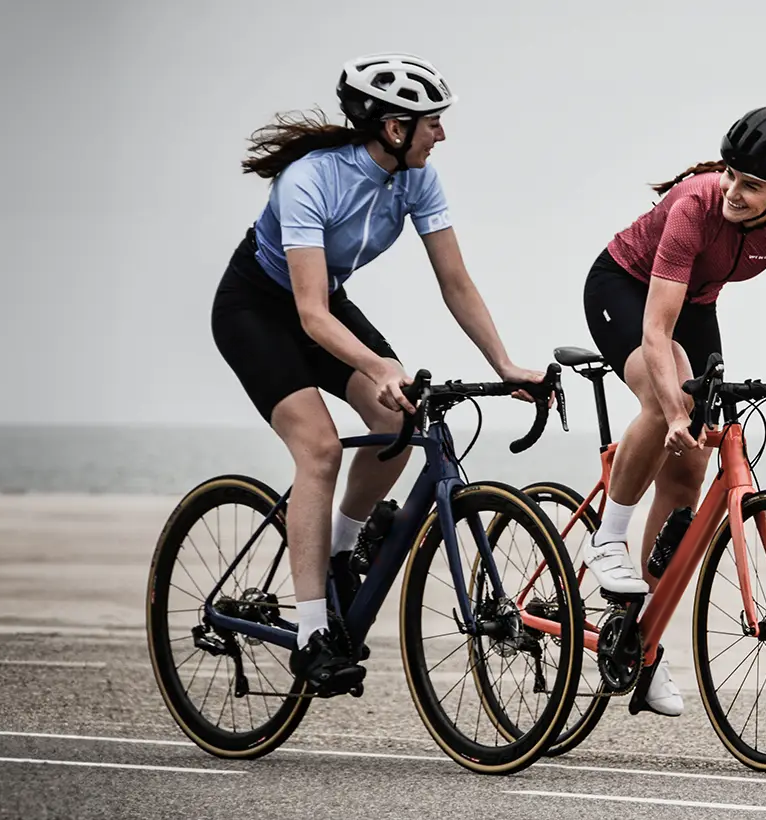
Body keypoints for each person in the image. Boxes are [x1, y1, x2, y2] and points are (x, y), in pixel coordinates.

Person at [211, 53, 541, 691]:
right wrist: (375, 362)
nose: (440, 134)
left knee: (398, 416)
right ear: (394, 128)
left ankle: (339, 548)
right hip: (258, 310)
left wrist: (503, 363)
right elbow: (309, 315)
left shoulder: (419, 180)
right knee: (320, 449)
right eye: (431, 124)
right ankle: (311, 634)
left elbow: (455, 281)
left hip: (324, 305)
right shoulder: (309, 180)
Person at [579, 106, 766, 716]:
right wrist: (673, 406)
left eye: (751, 185)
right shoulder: (694, 204)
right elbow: (656, 330)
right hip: (625, 288)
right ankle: (609, 538)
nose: (733, 191)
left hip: (695, 303)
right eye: (731, 174)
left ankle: (639, 644)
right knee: (664, 393)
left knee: (689, 467)